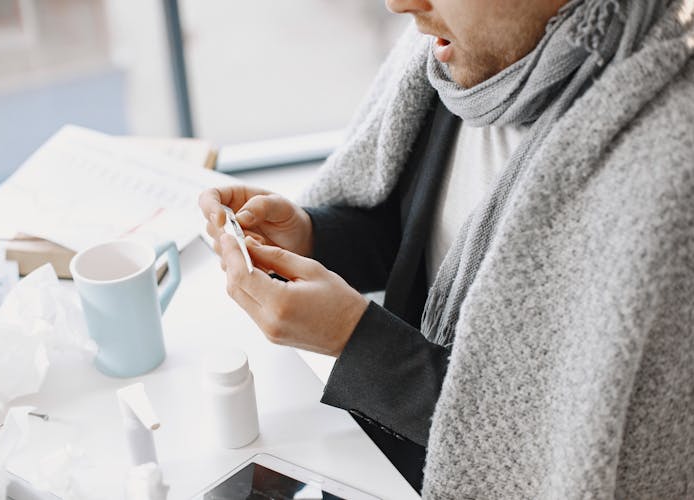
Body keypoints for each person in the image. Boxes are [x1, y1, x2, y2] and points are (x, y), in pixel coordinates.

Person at [200, 0, 694, 497]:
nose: (399, 4)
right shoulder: (454, 58)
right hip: (367, 455)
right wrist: (312, 236)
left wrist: (356, 341)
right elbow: (418, 238)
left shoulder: (667, 179)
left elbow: (555, 451)